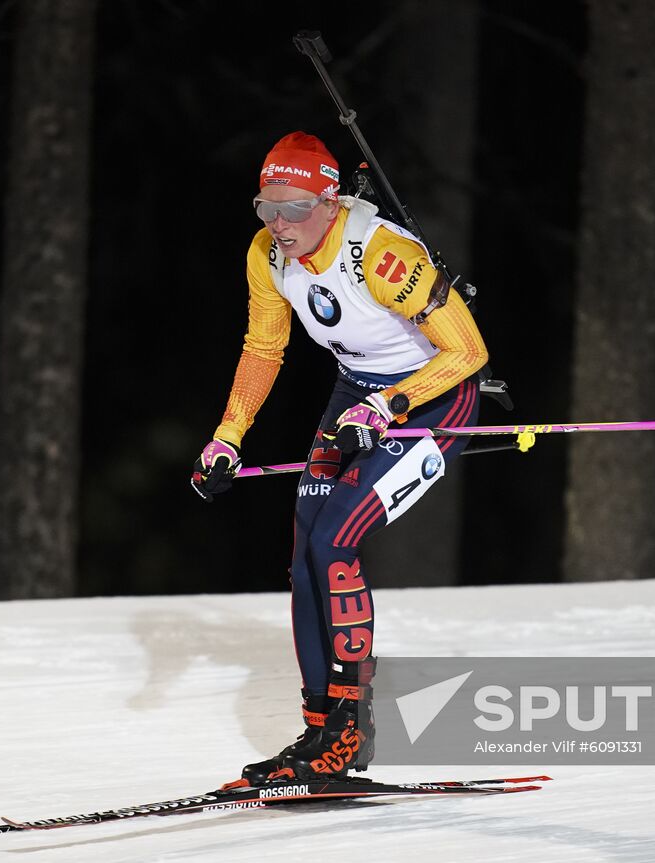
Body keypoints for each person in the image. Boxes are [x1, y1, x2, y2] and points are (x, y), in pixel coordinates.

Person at [190, 132, 489, 784]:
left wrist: (390, 407)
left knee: (335, 541)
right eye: (266, 206)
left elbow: (468, 352)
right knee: (304, 557)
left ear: (331, 201)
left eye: (294, 208)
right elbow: (263, 349)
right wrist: (227, 436)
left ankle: (350, 734)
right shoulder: (268, 255)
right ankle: (319, 730)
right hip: (355, 392)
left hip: (434, 398)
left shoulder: (379, 255)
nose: (278, 223)